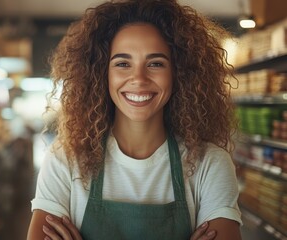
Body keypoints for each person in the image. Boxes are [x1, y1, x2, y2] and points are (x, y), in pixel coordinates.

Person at [27, 0, 242, 239]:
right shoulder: (65, 161)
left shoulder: (209, 164)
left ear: (178, 73)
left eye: (155, 63)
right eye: (122, 63)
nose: (138, 78)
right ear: (101, 73)